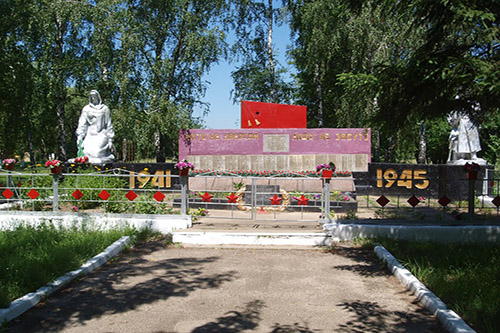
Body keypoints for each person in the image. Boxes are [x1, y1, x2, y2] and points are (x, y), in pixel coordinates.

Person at [75, 90, 115, 163]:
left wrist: (110, 139)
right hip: (90, 135)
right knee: (86, 153)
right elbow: (82, 124)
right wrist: (80, 136)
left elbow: (108, 124)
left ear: (98, 97)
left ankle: (107, 158)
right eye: (91, 96)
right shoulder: (86, 109)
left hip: (101, 134)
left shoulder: (105, 108)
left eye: (94, 96)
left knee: (97, 153)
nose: (93, 98)